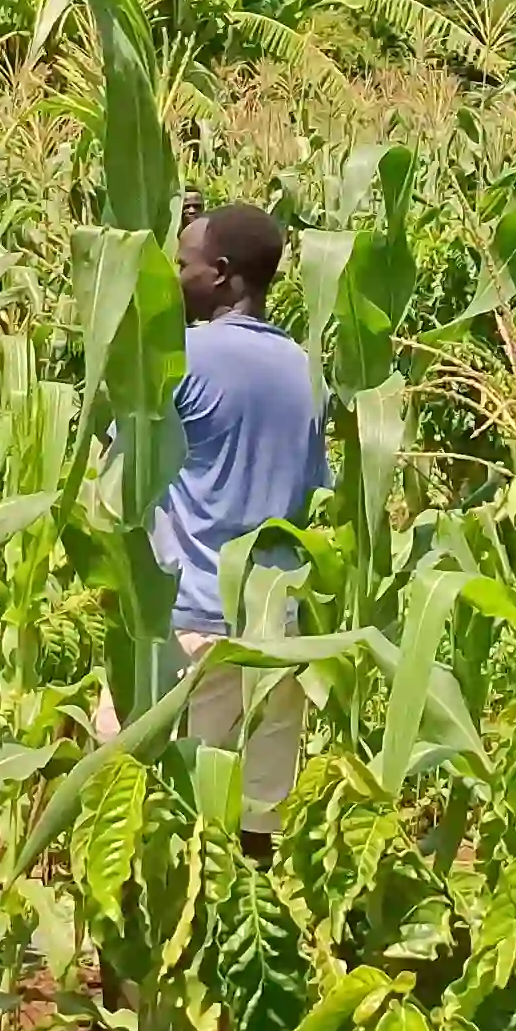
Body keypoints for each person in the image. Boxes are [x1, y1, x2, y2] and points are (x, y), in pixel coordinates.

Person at [147, 202, 328, 842]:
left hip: (190, 624)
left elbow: (120, 478)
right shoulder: (307, 370)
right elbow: (311, 490)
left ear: (220, 273)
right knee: (258, 820)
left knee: (152, 811)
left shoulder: (181, 358)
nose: (173, 278)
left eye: (183, 265)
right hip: (277, 626)